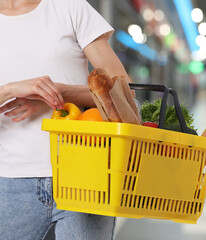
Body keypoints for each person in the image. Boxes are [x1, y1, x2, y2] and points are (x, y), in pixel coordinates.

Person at [0, 0, 133, 239]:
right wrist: (9, 90)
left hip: (85, 175)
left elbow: (124, 91)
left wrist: (58, 93)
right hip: (10, 183)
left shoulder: (70, 8)